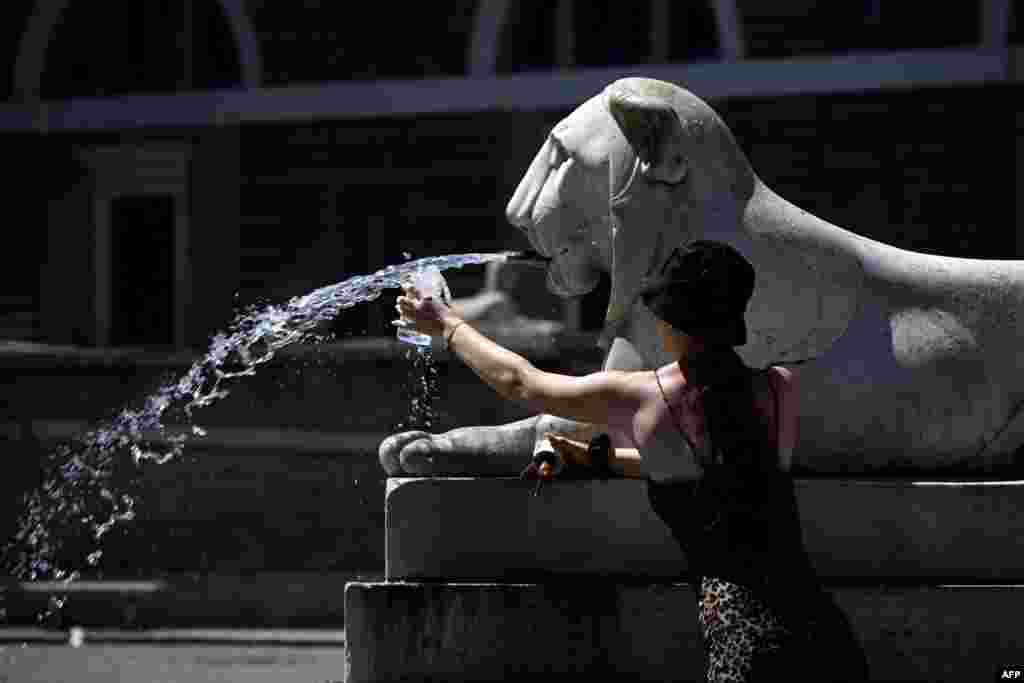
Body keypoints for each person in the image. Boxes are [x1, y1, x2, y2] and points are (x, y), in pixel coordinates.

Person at [396, 239, 869, 682]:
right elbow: (728, 476)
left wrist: (447, 324)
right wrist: (596, 455)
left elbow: (523, 384)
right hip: (825, 634)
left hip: (743, 644)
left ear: (669, 322)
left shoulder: (650, 396)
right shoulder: (779, 387)